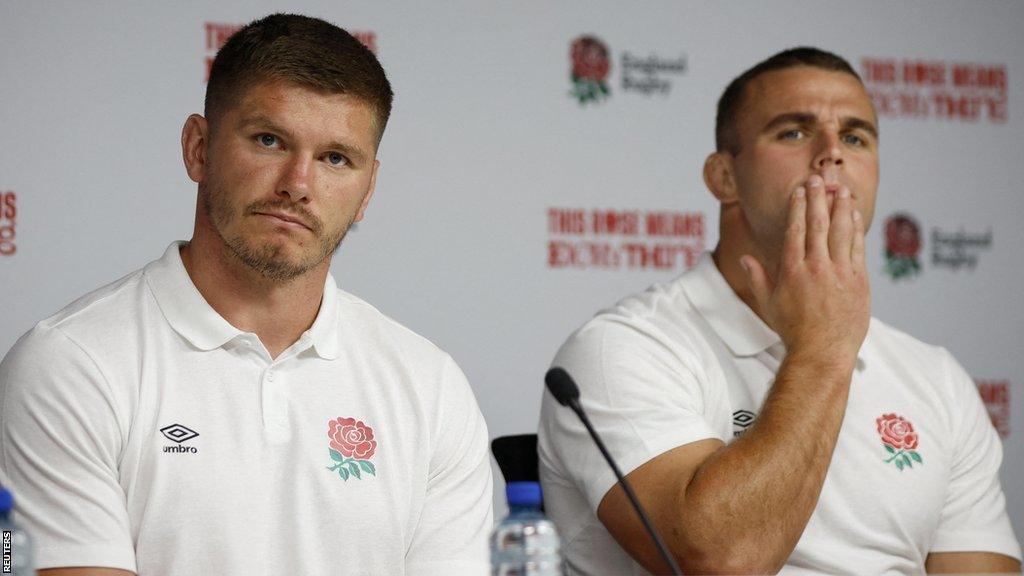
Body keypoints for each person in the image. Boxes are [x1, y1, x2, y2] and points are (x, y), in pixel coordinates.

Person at [0, 13, 492, 576]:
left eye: (336, 158)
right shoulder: (70, 364)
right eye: (269, 140)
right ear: (198, 148)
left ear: (367, 190)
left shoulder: (430, 387)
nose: (298, 185)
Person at [538, 47, 1021, 574]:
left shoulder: (936, 378)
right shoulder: (624, 349)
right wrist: (824, 346)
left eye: (856, 137)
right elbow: (722, 560)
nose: (832, 152)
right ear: (723, 177)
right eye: (793, 132)